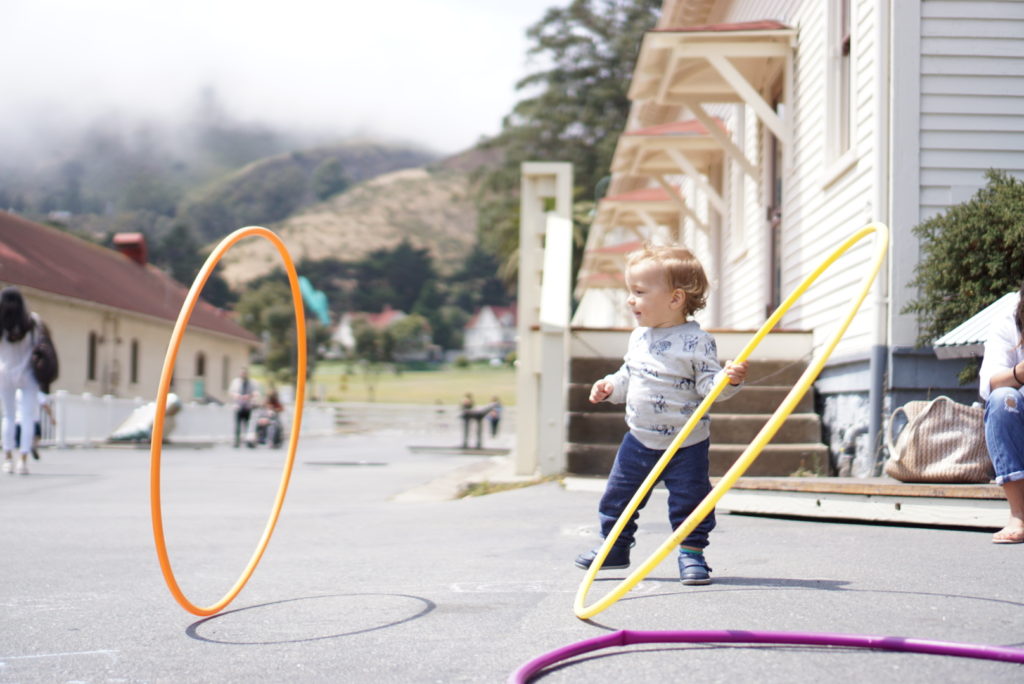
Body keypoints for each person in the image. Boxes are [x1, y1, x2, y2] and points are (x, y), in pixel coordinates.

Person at [574, 244, 748, 585]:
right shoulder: (639, 337)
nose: (630, 300)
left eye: (638, 292)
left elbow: (707, 386)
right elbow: (629, 375)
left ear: (675, 299)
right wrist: (609, 387)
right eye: (630, 291)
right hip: (640, 438)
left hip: (686, 442)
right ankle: (614, 547)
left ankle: (692, 552)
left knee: (691, 500)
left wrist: (728, 381)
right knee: (619, 496)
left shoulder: (697, 342)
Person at [978, 282, 1024, 544]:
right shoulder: (1007, 322)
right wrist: (1020, 372)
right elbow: (991, 383)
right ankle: (1018, 514)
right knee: (1003, 399)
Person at [0, 288, 41, 475]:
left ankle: (7, 457)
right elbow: (37, 347)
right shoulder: (32, 322)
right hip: (27, 374)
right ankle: (23, 460)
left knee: (8, 416)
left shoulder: (1, 323)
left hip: (4, 372)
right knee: (27, 418)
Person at [228, 367, 259, 448]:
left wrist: (249, 396)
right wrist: (237, 396)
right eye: (242, 373)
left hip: (247, 406)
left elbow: (256, 393)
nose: (243, 375)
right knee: (237, 425)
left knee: (247, 425)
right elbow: (231, 392)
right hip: (238, 406)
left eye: (244, 373)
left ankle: (247, 441)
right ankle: (237, 441)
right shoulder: (236, 382)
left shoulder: (251, 383)